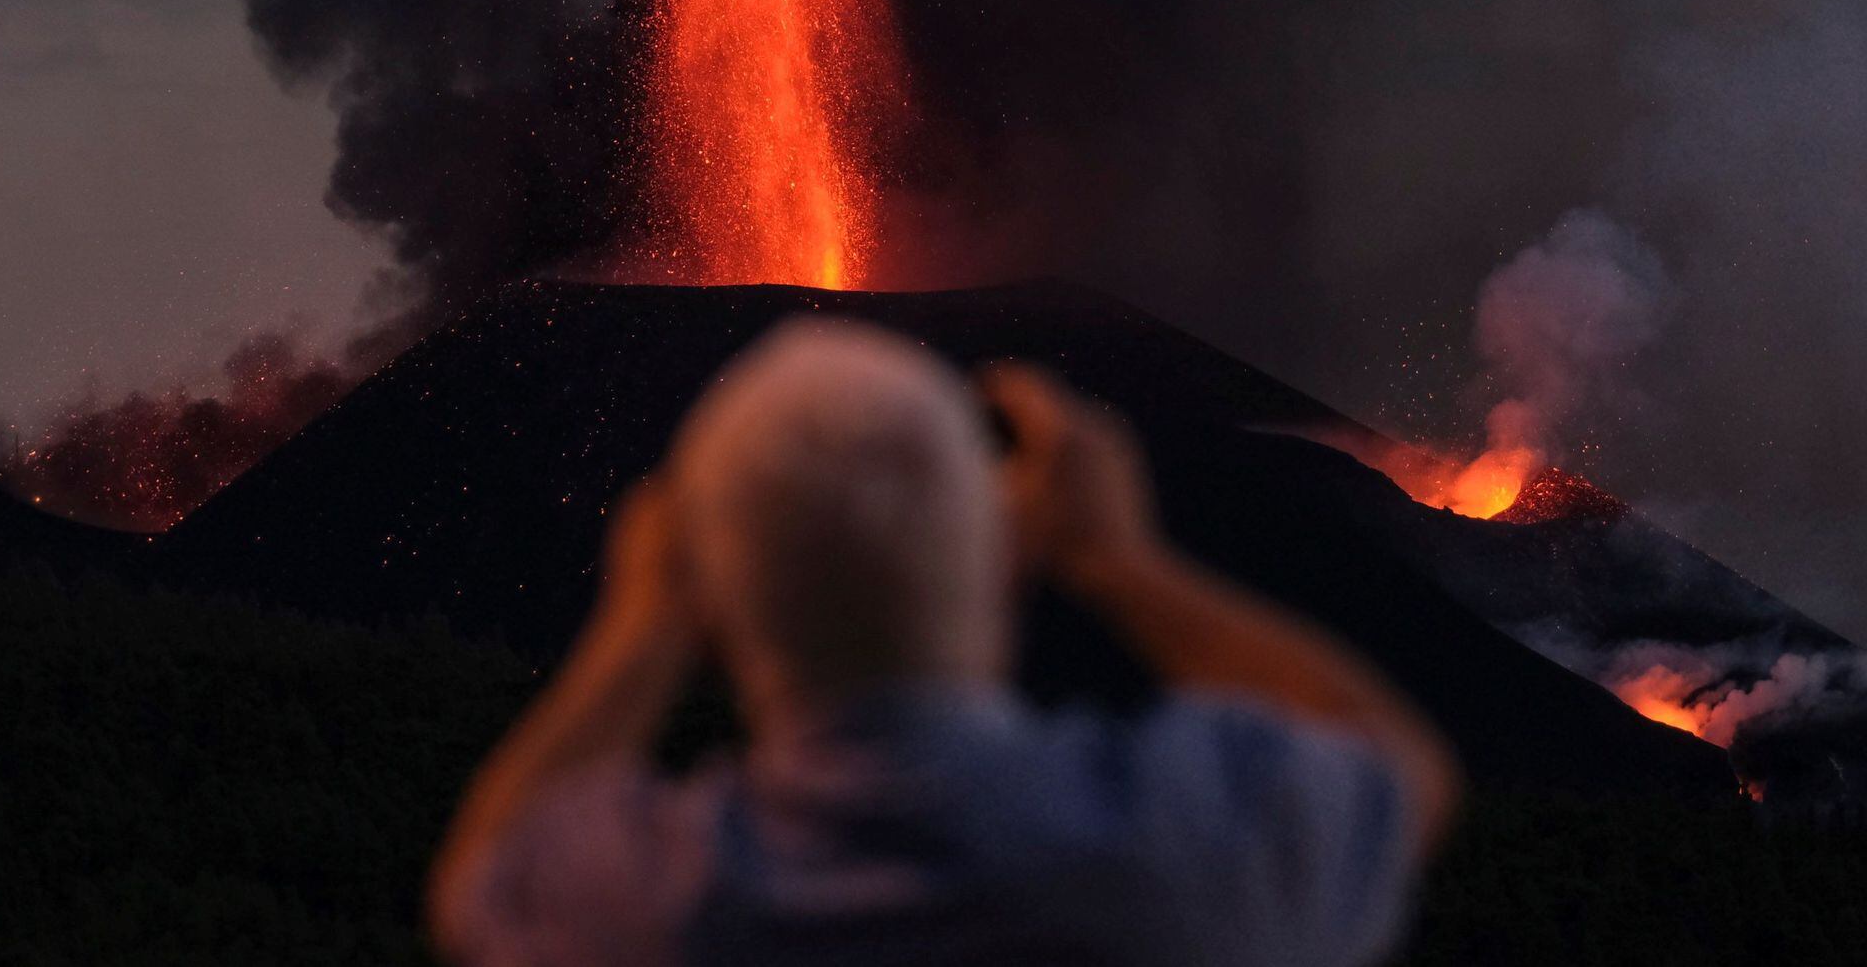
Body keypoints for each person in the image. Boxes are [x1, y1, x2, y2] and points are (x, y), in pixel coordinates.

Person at [429, 319, 1461, 966]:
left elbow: (483, 875)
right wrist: (1117, 561)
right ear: (1001, 554)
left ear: (713, 596)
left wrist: (642, 622)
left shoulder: (647, 905)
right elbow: (1391, 766)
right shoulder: (1178, 859)